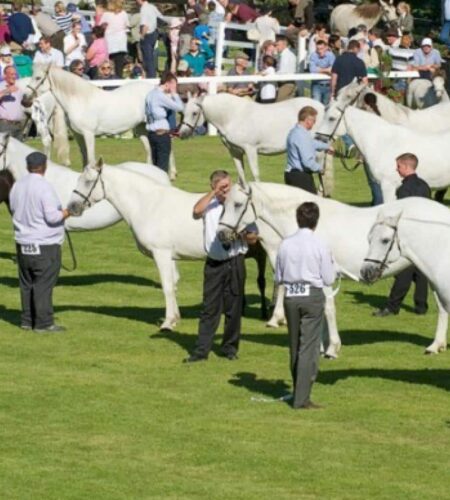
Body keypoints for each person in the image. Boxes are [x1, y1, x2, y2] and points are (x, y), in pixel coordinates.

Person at [184, 170, 257, 363]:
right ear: (215, 187)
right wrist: (213, 194)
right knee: (209, 309)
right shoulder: (211, 205)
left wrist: (240, 235)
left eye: (228, 185)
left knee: (234, 308)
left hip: (235, 260)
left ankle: (230, 348)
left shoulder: (240, 205)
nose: (227, 190)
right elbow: (196, 211)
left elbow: (253, 238)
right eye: (223, 187)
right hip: (215, 263)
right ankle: (201, 350)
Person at [275, 202, 336, 409]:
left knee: (294, 345)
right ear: (316, 221)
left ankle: (298, 390)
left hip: (291, 296)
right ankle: (301, 398)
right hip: (311, 295)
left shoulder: (285, 244)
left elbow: (279, 276)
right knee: (308, 347)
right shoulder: (320, 244)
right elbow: (328, 279)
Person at [9, 151, 71, 333]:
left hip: (22, 241)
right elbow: (53, 217)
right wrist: (68, 212)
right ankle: (44, 323)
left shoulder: (17, 185)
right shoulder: (45, 187)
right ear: (44, 167)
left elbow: (13, 208)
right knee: (43, 283)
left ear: (28, 167)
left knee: (26, 283)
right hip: (44, 244)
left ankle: (27, 320)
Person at [373, 153, 431, 318]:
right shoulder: (425, 186)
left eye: (398, 166)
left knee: (403, 271)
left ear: (406, 167)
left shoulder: (404, 189)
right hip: (424, 233)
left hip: (409, 234)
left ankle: (392, 307)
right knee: (421, 272)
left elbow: (404, 213)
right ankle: (421, 306)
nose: (396, 170)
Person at [285, 106, 332, 194]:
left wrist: (327, 146)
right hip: (300, 178)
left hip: (293, 175)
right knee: (312, 205)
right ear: (308, 120)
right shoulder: (301, 136)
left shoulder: (296, 132)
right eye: (314, 121)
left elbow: (311, 143)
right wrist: (321, 169)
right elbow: (307, 162)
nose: (314, 123)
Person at [145, 71, 183, 172]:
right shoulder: (160, 96)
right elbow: (180, 107)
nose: (174, 89)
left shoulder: (150, 94)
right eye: (173, 86)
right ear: (168, 84)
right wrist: (174, 94)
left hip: (151, 133)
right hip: (161, 134)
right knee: (162, 168)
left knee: (155, 166)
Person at [100, 0, 129, 78]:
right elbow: (126, 26)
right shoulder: (124, 14)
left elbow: (101, 26)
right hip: (121, 42)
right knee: (119, 66)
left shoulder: (106, 14)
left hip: (110, 42)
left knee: (109, 64)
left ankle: (109, 80)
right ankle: (118, 80)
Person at [137, 0, 165, 78]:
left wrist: (142, 36)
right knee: (152, 58)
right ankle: (152, 75)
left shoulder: (144, 9)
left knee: (147, 59)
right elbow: (161, 17)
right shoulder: (152, 7)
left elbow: (145, 25)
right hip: (154, 34)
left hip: (147, 35)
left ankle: (151, 77)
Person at [0, 65, 28, 139]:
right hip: (5, 125)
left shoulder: (19, 87)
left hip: (18, 125)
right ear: (5, 75)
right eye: (11, 74)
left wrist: (29, 102)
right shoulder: (1, 86)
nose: (14, 76)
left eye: (15, 74)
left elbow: (24, 103)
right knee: (5, 150)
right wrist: (7, 91)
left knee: (19, 149)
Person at [309, 40, 335, 105]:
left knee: (326, 107)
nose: (319, 51)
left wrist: (319, 69)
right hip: (316, 85)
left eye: (321, 48)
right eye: (318, 49)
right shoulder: (313, 55)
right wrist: (327, 70)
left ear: (326, 48)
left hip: (328, 85)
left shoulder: (331, 55)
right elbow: (312, 70)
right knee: (316, 106)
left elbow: (333, 69)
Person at [275, 34, 297, 101]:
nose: (276, 47)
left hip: (286, 83)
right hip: (289, 83)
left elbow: (283, 71)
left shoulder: (285, 55)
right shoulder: (288, 54)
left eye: (277, 45)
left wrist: (271, 74)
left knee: (278, 104)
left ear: (284, 44)